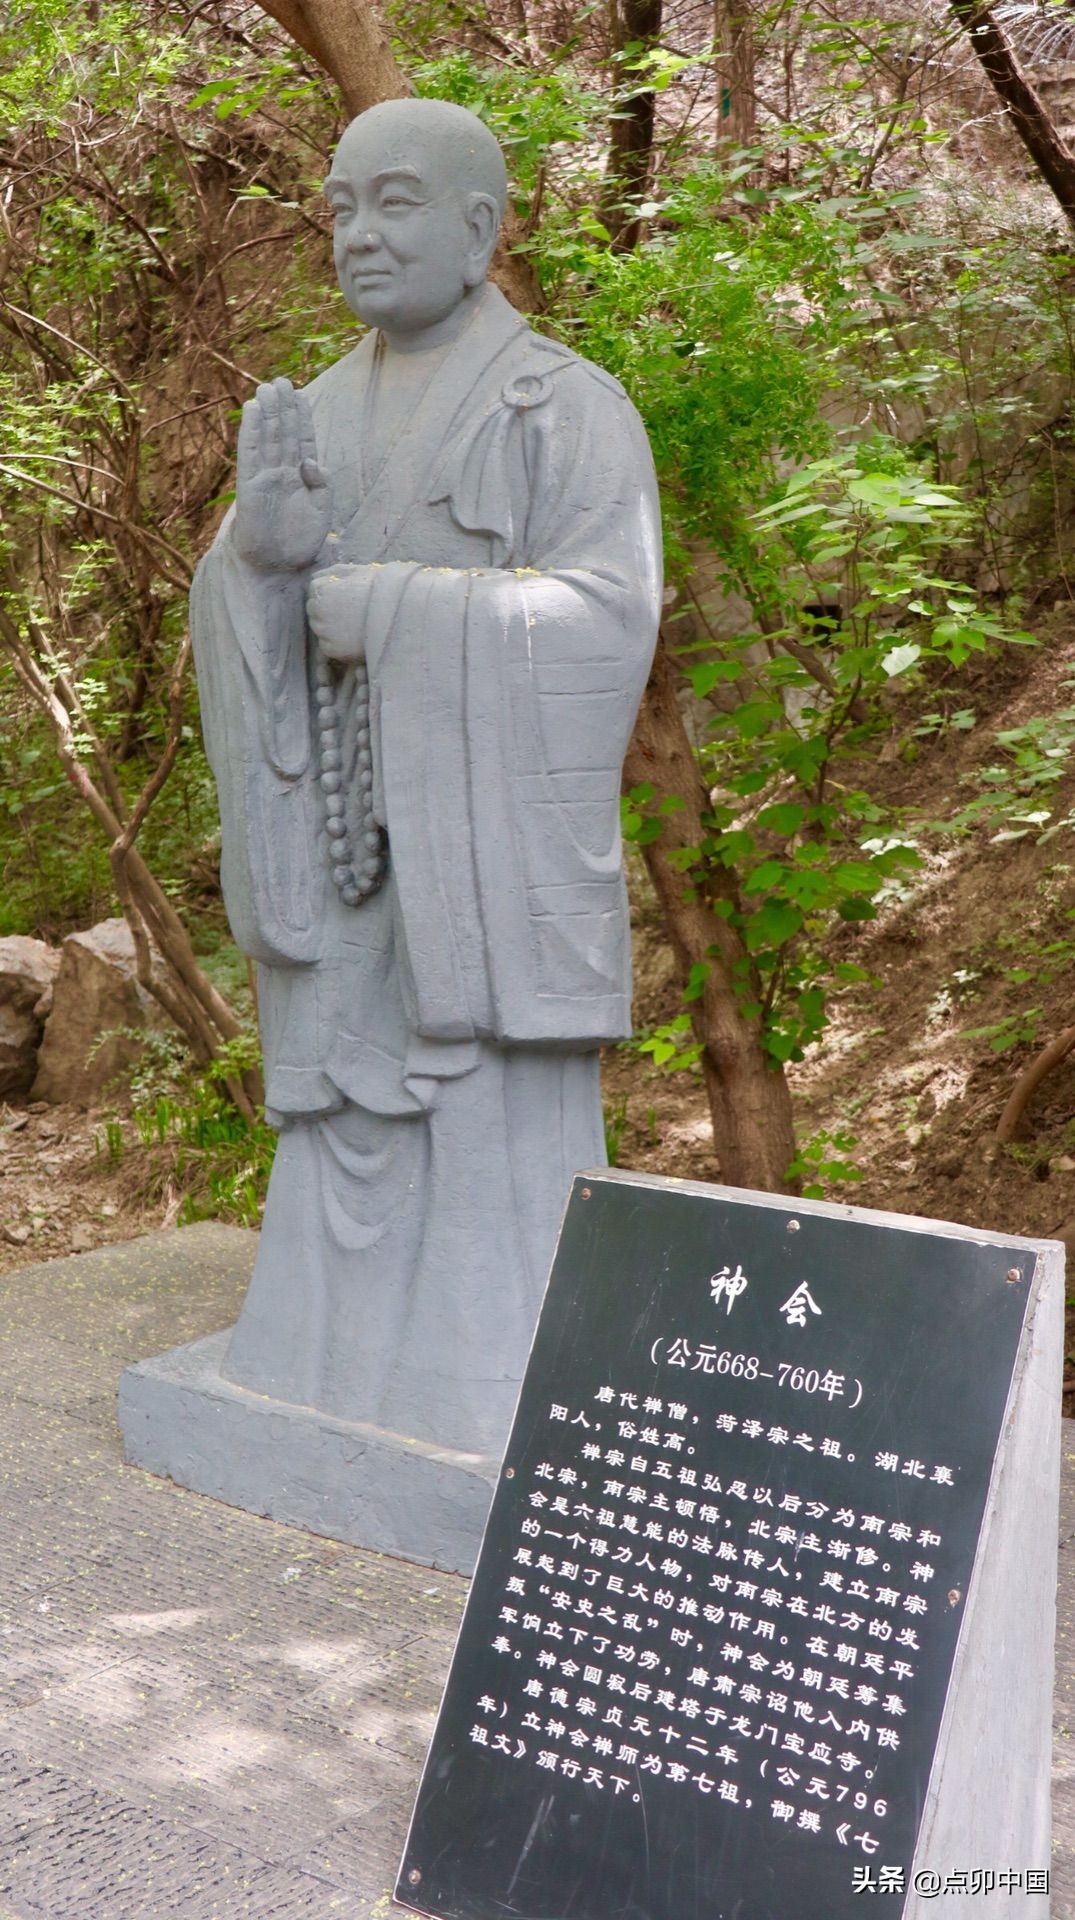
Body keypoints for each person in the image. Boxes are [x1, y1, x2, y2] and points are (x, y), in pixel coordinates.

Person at [192, 97, 661, 1459]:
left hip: (476, 894)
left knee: (483, 1166)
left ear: (481, 227)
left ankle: (489, 1397)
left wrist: (394, 608)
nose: (359, 234)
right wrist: (262, 568)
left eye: (396, 203)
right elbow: (242, 626)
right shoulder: (312, 416)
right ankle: (318, 1372)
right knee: (346, 1126)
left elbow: (605, 619)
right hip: (349, 898)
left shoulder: (564, 408)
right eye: (339, 206)